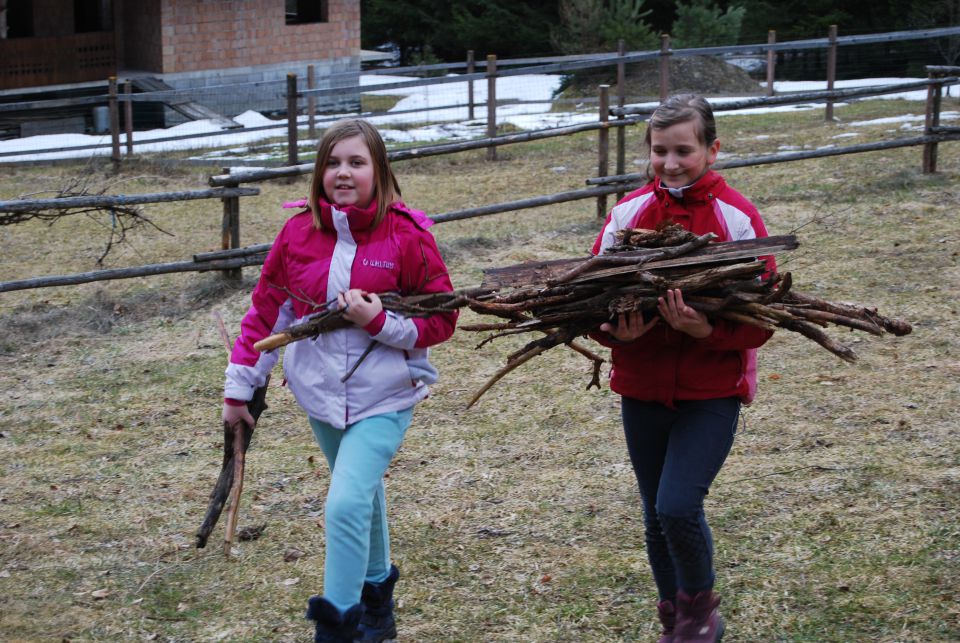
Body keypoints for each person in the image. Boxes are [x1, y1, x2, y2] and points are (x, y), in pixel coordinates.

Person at [222, 119, 457, 643]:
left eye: (356, 162)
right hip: (319, 396)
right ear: (318, 172)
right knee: (362, 494)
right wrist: (241, 388)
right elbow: (266, 314)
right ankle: (379, 605)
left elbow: (442, 320)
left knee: (346, 502)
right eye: (332, 162)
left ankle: (339, 626)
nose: (343, 173)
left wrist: (378, 322)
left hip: (386, 395)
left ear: (379, 170)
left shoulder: (407, 235)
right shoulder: (297, 234)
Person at [590, 94, 776, 643]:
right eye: (659, 151)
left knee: (677, 503)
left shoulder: (736, 218)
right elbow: (589, 301)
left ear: (712, 151)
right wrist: (616, 332)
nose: (670, 163)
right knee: (654, 512)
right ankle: (674, 616)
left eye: (684, 151)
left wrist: (706, 331)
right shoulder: (626, 215)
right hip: (642, 388)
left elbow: (763, 320)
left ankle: (700, 611)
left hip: (710, 392)